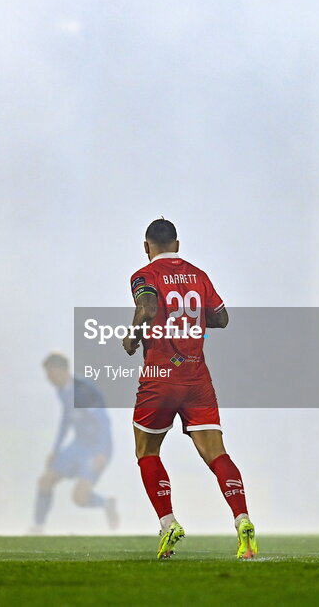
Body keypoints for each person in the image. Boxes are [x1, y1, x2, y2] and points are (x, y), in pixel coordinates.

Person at [123, 218, 257, 559]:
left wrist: (133, 334)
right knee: (217, 454)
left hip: (159, 378)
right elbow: (222, 318)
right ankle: (242, 519)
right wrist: (192, 317)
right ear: (178, 245)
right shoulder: (199, 275)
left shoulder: (144, 275)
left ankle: (169, 523)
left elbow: (149, 306)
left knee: (147, 451)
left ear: (146, 246)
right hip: (197, 379)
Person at [31, 352, 118, 533]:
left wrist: (101, 451)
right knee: (45, 480)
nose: (47, 378)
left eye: (49, 373)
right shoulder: (62, 390)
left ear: (60, 370)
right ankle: (38, 527)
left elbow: (103, 421)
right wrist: (55, 449)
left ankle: (107, 503)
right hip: (78, 445)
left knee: (79, 498)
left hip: (96, 448)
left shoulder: (84, 391)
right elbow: (66, 419)